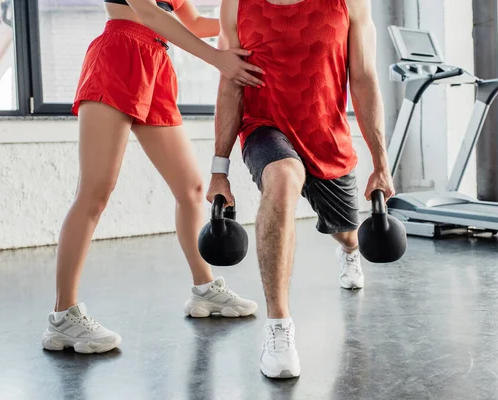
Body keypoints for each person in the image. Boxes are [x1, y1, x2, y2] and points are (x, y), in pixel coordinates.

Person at [42, 0, 263, 354]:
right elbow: (149, 13)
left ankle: (204, 290)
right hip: (118, 54)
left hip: (155, 64)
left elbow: (192, 22)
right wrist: (217, 58)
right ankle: (63, 317)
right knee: (95, 193)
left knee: (190, 188)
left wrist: (253, 18)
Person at [206, 0, 395, 378]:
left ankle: (349, 250)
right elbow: (231, 83)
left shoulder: (350, 3)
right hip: (265, 127)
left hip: (327, 138)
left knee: (347, 233)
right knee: (282, 176)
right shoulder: (237, 6)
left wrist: (381, 164)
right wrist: (219, 169)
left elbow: (363, 78)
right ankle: (279, 329)